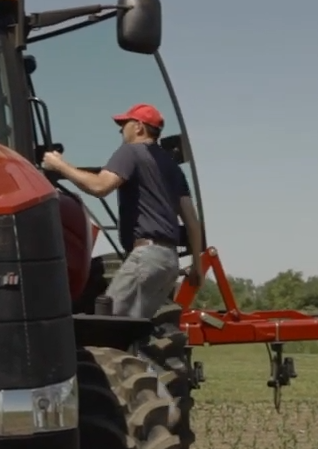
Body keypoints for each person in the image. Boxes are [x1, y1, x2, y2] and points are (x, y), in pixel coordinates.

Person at [42, 103, 203, 320]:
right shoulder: (172, 167)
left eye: (124, 124)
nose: (120, 130)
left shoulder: (131, 152)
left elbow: (100, 186)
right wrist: (197, 267)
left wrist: (59, 165)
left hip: (146, 257)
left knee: (109, 324)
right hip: (169, 262)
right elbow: (192, 222)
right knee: (137, 332)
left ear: (138, 127)